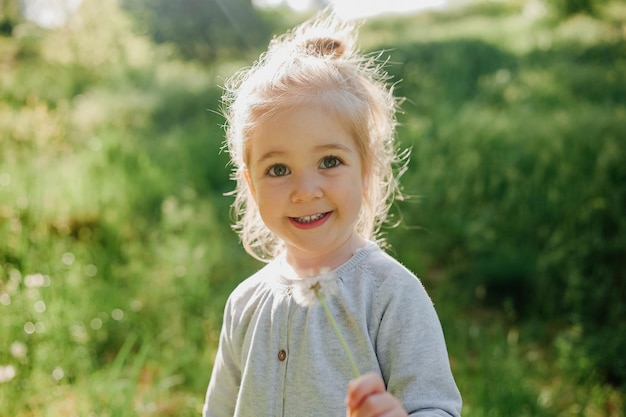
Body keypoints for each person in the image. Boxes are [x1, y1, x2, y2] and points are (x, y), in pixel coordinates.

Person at [203, 11, 462, 417]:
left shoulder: (389, 294)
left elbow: (436, 408)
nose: (305, 191)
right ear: (251, 187)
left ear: (365, 168)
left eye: (328, 161)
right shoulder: (245, 302)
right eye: (278, 170)